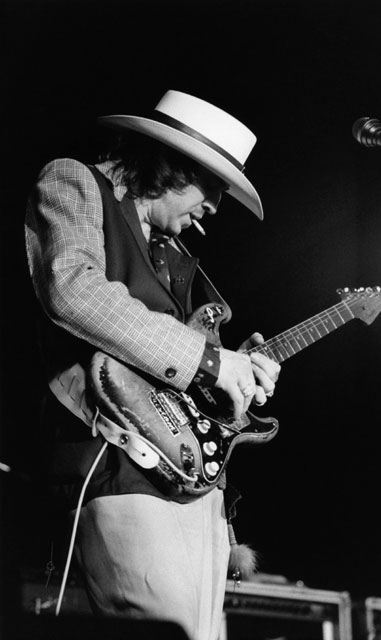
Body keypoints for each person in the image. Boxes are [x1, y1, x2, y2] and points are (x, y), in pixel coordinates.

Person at [25, 89, 281, 640]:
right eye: (214, 186)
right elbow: (74, 290)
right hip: (116, 463)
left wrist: (238, 367)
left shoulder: (176, 252)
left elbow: (186, 365)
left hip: (195, 481)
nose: (215, 207)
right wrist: (209, 360)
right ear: (173, 166)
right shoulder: (74, 181)